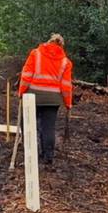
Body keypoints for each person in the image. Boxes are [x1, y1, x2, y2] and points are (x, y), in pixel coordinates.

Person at [14, 34, 74, 164]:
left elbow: (26, 75)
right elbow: (66, 86)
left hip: (32, 96)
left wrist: (21, 92)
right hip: (53, 99)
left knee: (28, 124)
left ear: (49, 42)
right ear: (61, 46)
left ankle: (31, 154)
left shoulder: (35, 53)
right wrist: (68, 103)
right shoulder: (66, 62)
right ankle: (48, 156)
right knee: (48, 127)